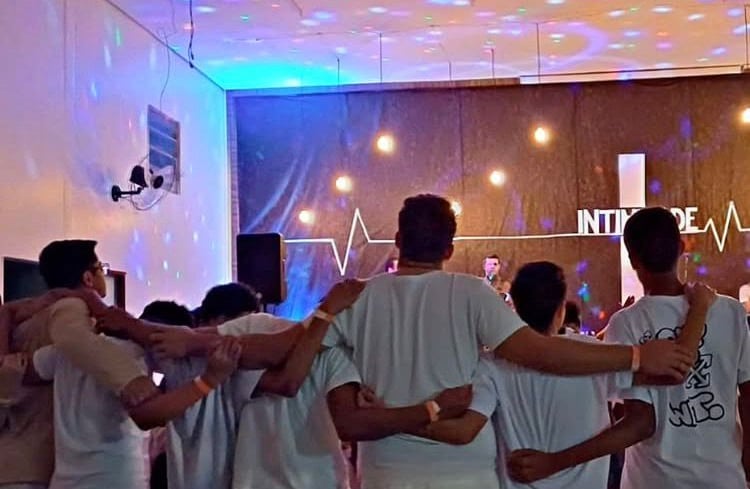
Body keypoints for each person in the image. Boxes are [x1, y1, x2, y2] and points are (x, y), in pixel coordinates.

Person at [323, 194, 695, 489]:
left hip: (385, 474)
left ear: (398, 241)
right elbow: (538, 352)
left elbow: (303, 361)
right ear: (449, 249)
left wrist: (387, 415)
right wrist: (636, 356)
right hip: (468, 478)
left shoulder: (354, 299)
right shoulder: (470, 294)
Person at [405, 261, 711, 489]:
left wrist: (394, 420)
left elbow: (464, 430)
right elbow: (674, 372)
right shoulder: (596, 357)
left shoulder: (492, 364)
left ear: (513, 308)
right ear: (562, 309)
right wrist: (699, 309)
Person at [512, 207, 750, 489]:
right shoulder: (729, 311)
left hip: (654, 481)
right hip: (723, 477)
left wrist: (555, 461)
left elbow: (640, 423)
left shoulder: (626, 323)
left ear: (631, 258)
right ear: (681, 247)